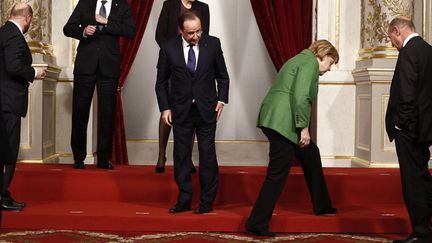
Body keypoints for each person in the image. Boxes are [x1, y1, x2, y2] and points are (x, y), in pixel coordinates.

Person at [245, 40, 339, 237]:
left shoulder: (300, 59)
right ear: (322, 55)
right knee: (277, 174)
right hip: (282, 123)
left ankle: (322, 206)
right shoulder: (309, 63)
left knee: (311, 153)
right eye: (330, 63)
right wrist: (303, 127)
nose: (329, 69)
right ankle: (256, 223)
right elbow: (301, 96)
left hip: (278, 120)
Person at [155, 11, 229, 214]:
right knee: (181, 156)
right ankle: (184, 200)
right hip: (180, 111)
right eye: (190, 33)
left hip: (207, 110)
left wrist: (221, 100)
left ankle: (206, 202)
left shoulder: (213, 44)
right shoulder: (168, 48)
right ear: (180, 31)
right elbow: (161, 83)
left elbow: (223, 77)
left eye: (199, 31)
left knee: (207, 156)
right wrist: (165, 108)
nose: (196, 36)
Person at [63, 0, 136, 170]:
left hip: (109, 67)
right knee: (80, 111)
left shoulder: (123, 6)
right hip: (85, 65)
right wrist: (83, 31)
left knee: (107, 113)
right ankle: (78, 157)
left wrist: (107, 22)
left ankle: (104, 158)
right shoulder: (86, 3)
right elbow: (68, 28)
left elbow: (130, 31)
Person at [385, 16, 432, 243]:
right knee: (422, 177)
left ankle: (421, 233)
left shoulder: (408, 52)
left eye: (390, 38)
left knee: (413, 183)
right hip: (424, 129)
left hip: (409, 130)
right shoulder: (428, 50)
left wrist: (399, 124)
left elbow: (407, 94)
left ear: (397, 31)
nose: (392, 44)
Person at [155, 0, 210, 173]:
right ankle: (161, 154)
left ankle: (186, 157)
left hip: (193, 66)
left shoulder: (203, 8)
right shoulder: (169, 5)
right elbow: (160, 35)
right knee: (168, 109)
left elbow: (204, 36)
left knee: (191, 110)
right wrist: (176, 54)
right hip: (172, 64)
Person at [0, 3, 46, 211]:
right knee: (9, 151)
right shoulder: (13, 35)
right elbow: (13, 66)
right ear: (27, 18)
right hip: (8, 102)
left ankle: (4, 194)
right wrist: (34, 73)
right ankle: (2, 196)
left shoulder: (3, 32)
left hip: (4, 100)